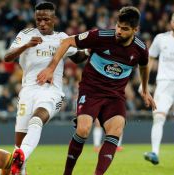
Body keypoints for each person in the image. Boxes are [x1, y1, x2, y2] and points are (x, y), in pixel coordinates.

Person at [37, 6, 156, 175]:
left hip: (115, 96)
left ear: (135, 30)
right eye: (118, 26)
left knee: (117, 128)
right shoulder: (100, 36)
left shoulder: (140, 49)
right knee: (83, 129)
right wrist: (51, 68)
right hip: (91, 90)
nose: (119, 31)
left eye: (125, 29)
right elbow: (67, 41)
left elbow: (144, 67)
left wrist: (145, 89)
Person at [3, 2, 86, 175]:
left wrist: (93, 49)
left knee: (38, 118)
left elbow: (79, 57)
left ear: (54, 19)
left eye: (46, 19)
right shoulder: (26, 35)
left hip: (51, 92)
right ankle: (21, 163)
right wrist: (26, 46)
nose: (42, 23)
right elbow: (7, 57)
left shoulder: (62, 38)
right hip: (27, 92)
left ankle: (20, 157)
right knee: (19, 144)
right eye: (38, 19)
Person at [143, 11, 174, 166]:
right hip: (164, 83)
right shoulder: (161, 39)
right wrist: (144, 82)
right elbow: (151, 58)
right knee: (158, 117)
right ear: (170, 23)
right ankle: (154, 153)